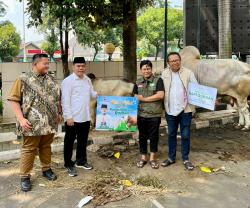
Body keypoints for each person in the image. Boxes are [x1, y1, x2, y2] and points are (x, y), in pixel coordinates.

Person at [8, 54, 61, 192]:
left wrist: (59, 113)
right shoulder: (23, 79)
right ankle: (25, 176)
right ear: (35, 64)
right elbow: (14, 100)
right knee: (29, 149)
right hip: (31, 124)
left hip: (49, 122)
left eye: (48, 63)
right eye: (45, 63)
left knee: (46, 146)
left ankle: (46, 169)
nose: (47, 66)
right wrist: (21, 119)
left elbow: (57, 99)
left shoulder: (51, 80)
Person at [161, 52, 198, 170]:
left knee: (185, 135)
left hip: (185, 110)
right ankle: (171, 157)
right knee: (171, 134)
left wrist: (210, 100)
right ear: (168, 63)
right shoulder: (164, 73)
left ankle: (185, 159)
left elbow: (197, 90)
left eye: (177, 60)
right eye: (172, 61)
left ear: (180, 61)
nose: (175, 62)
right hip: (170, 109)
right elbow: (160, 90)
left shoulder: (188, 73)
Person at [61, 57, 97, 177]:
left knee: (83, 140)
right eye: (78, 66)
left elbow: (92, 93)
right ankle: (68, 163)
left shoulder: (87, 79)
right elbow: (65, 101)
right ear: (73, 67)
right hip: (73, 118)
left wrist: (102, 95)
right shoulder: (68, 81)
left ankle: (81, 161)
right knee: (69, 141)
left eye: (83, 66)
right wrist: (68, 117)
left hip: (85, 116)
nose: (81, 68)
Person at [133, 60, 164, 169]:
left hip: (154, 115)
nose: (146, 71)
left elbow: (160, 95)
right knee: (142, 137)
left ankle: (153, 158)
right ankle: (143, 158)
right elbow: (135, 98)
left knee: (154, 137)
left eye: (148, 68)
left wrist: (144, 99)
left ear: (151, 69)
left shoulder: (158, 80)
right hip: (141, 115)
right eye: (144, 69)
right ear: (141, 70)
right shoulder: (137, 82)